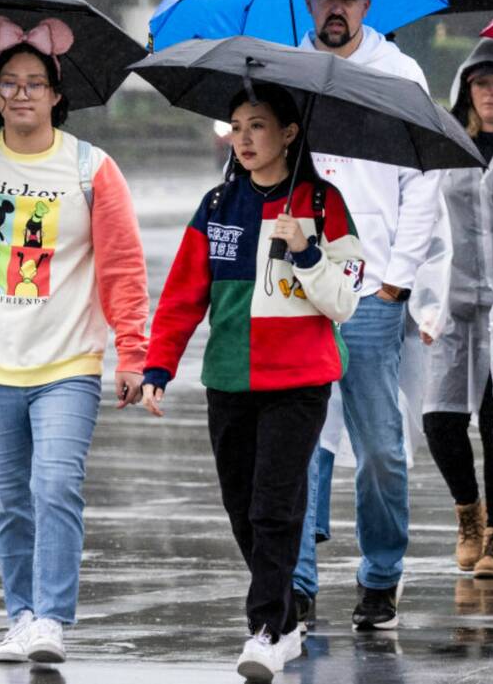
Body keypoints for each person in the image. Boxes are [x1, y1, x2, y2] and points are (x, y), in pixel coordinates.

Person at [0, 16, 150, 664]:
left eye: (34, 83)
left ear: (55, 94)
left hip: (67, 362)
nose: (21, 94)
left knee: (55, 486)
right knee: (9, 501)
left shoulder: (89, 168)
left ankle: (51, 617)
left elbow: (123, 265)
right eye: (9, 84)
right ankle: (19, 615)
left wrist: (134, 350)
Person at [140, 84, 362, 680]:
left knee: (273, 506)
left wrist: (307, 252)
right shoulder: (216, 205)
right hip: (230, 378)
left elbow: (345, 302)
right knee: (242, 505)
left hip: (301, 379)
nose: (242, 138)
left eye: (257, 126)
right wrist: (157, 367)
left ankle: (264, 627)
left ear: (289, 133)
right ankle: (286, 621)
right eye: (235, 126)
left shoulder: (323, 204)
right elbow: (184, 296)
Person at [291, 0, 441, 632]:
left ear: (366, 6)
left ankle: (381, 570)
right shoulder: (284, 75)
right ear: (310, 4)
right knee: (297, 439)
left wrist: (395, 282)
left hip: (371, 292)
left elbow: (424, 183)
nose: (335, 9)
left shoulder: (401, 76)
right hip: (295, 287)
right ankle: (295, 576)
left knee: (379, 442)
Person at [423, 38, 493, 577]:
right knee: (441, 418)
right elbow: (423, 217)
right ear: (466, 88)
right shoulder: (445, 144)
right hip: (452, 299)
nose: (490, 93)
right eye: (481, 82)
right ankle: (469, 512)